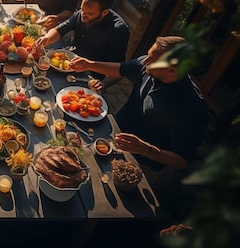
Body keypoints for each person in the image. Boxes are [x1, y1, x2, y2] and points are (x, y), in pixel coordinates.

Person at [69, 36, 208, 203]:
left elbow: (182, 161)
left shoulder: (192, 108)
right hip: (113, 136)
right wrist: (89, 64)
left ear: (173, 70)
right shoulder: (149, 65)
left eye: (152, 59)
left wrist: (144, 148)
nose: (146, 60)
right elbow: (121, 69)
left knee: (107, 204)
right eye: (149, 55)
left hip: (142, 165)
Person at [35, 0, 130, 80]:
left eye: (89, 14)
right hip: (70, 65)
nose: (83, 15)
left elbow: (120, 70)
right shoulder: (83, 13)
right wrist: (47, 38)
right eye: (82, 10)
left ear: (104, 12)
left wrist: (102, 84)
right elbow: (61, 29)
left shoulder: (118, 30)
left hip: (91, 76)